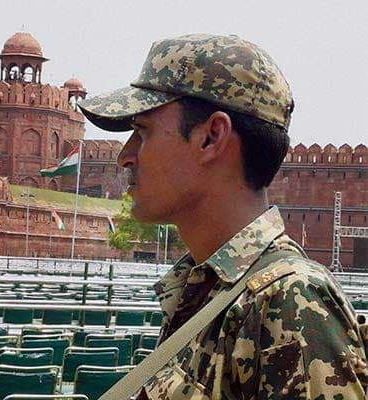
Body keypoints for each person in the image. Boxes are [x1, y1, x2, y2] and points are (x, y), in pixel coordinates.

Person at [79, 34, 367, 399]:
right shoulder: (213, 289)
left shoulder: (289, 303)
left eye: (142, 131)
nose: (125, 156)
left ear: (212, 137)